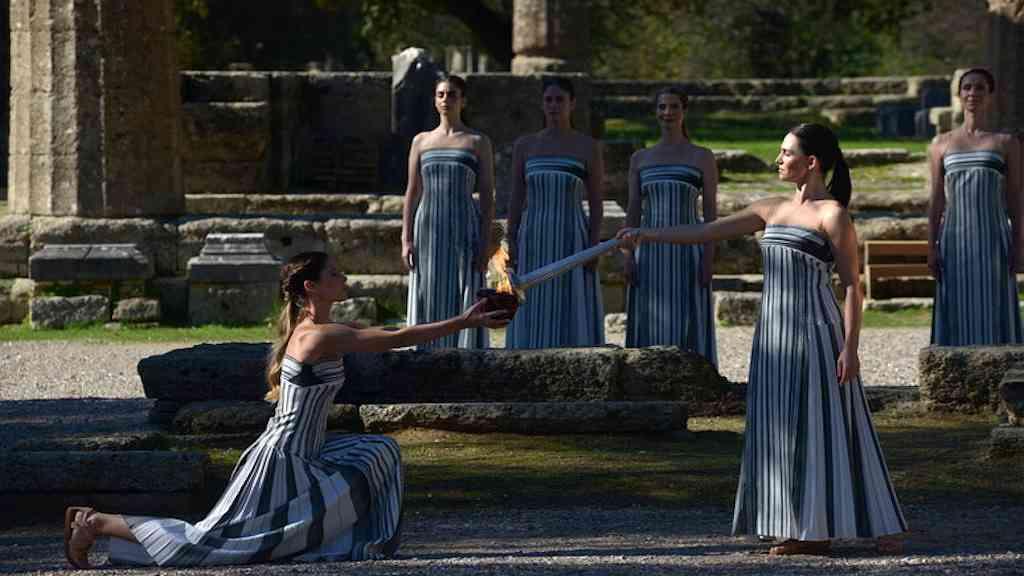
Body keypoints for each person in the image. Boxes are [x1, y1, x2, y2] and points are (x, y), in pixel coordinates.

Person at [63, 252, 509, 568]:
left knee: (379, 452)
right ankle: (96, 522)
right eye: (335, 273)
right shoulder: (316, 337)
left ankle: (354, 543)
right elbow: (396, 338)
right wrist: (464, 323)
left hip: (307, 453)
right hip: (280, 459)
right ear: (312, 286)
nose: (345, 277)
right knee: (209, 545)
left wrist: (462, 318)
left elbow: (388, 329)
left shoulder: (319, 327)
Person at [617, 124, 906, 555]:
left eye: (786, 152)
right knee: (778, 427)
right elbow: (706, 231)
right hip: (772, 335)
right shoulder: (770, 209)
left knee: (822, 424)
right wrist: (647, 234)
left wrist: (851, 346)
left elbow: (851, 286)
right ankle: (793, 525)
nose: (778, 158)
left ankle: (831, 528)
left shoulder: (833, 215)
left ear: (811, 162)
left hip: (815, 331)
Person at [506, 77, 605, 348]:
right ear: (541, 104)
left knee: (570, 297)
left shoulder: (587, 147)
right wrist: (509, 238)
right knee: (533, 297)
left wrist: (594, 244)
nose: (553, 105)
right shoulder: (525, 146)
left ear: (572, 104)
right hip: (533, 234)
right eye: (548, 100)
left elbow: (596, 202)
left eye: (560, 99)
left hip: (572, 235)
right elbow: (516, 197)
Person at [623, 86, 717, 364]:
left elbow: (711, 210)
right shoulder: (640, 158)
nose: (668, 112)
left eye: (674, 106)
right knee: (649, 317)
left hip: (688, 251)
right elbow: (633, 209)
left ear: (684, 111)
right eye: (662, 107)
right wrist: (627, 254)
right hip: (649, 252)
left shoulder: (702, 156)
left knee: (687, 316)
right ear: (655, 112)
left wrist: (709, 257)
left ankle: (693, 379)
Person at [928, 67, 1022, 345]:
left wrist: (1020, 244)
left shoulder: (1006, 143)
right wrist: (931, 246)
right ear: (959, 94)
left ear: (990, 95)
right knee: (956, 306)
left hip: (993, 238)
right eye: (967, 87)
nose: (973, 93)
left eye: (980, 87)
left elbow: (1016, 197)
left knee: (994, 305)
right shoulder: (940, 144)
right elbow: (936, 200)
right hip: (954, 241)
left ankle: (1000, 376)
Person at [402, 74, 496, 349]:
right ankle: (424, 353)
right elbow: (412, 191)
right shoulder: (421, 141)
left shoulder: (478, 142)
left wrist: (485, 240)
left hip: (464, 226)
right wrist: (406, 238)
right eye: (441, 94)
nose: (446, 100)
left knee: (463, 289)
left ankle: (465, 355)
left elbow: (488, 195)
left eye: (452, 94)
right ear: (435, 100)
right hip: (428, 227)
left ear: (463, 101)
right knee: (428, 290)